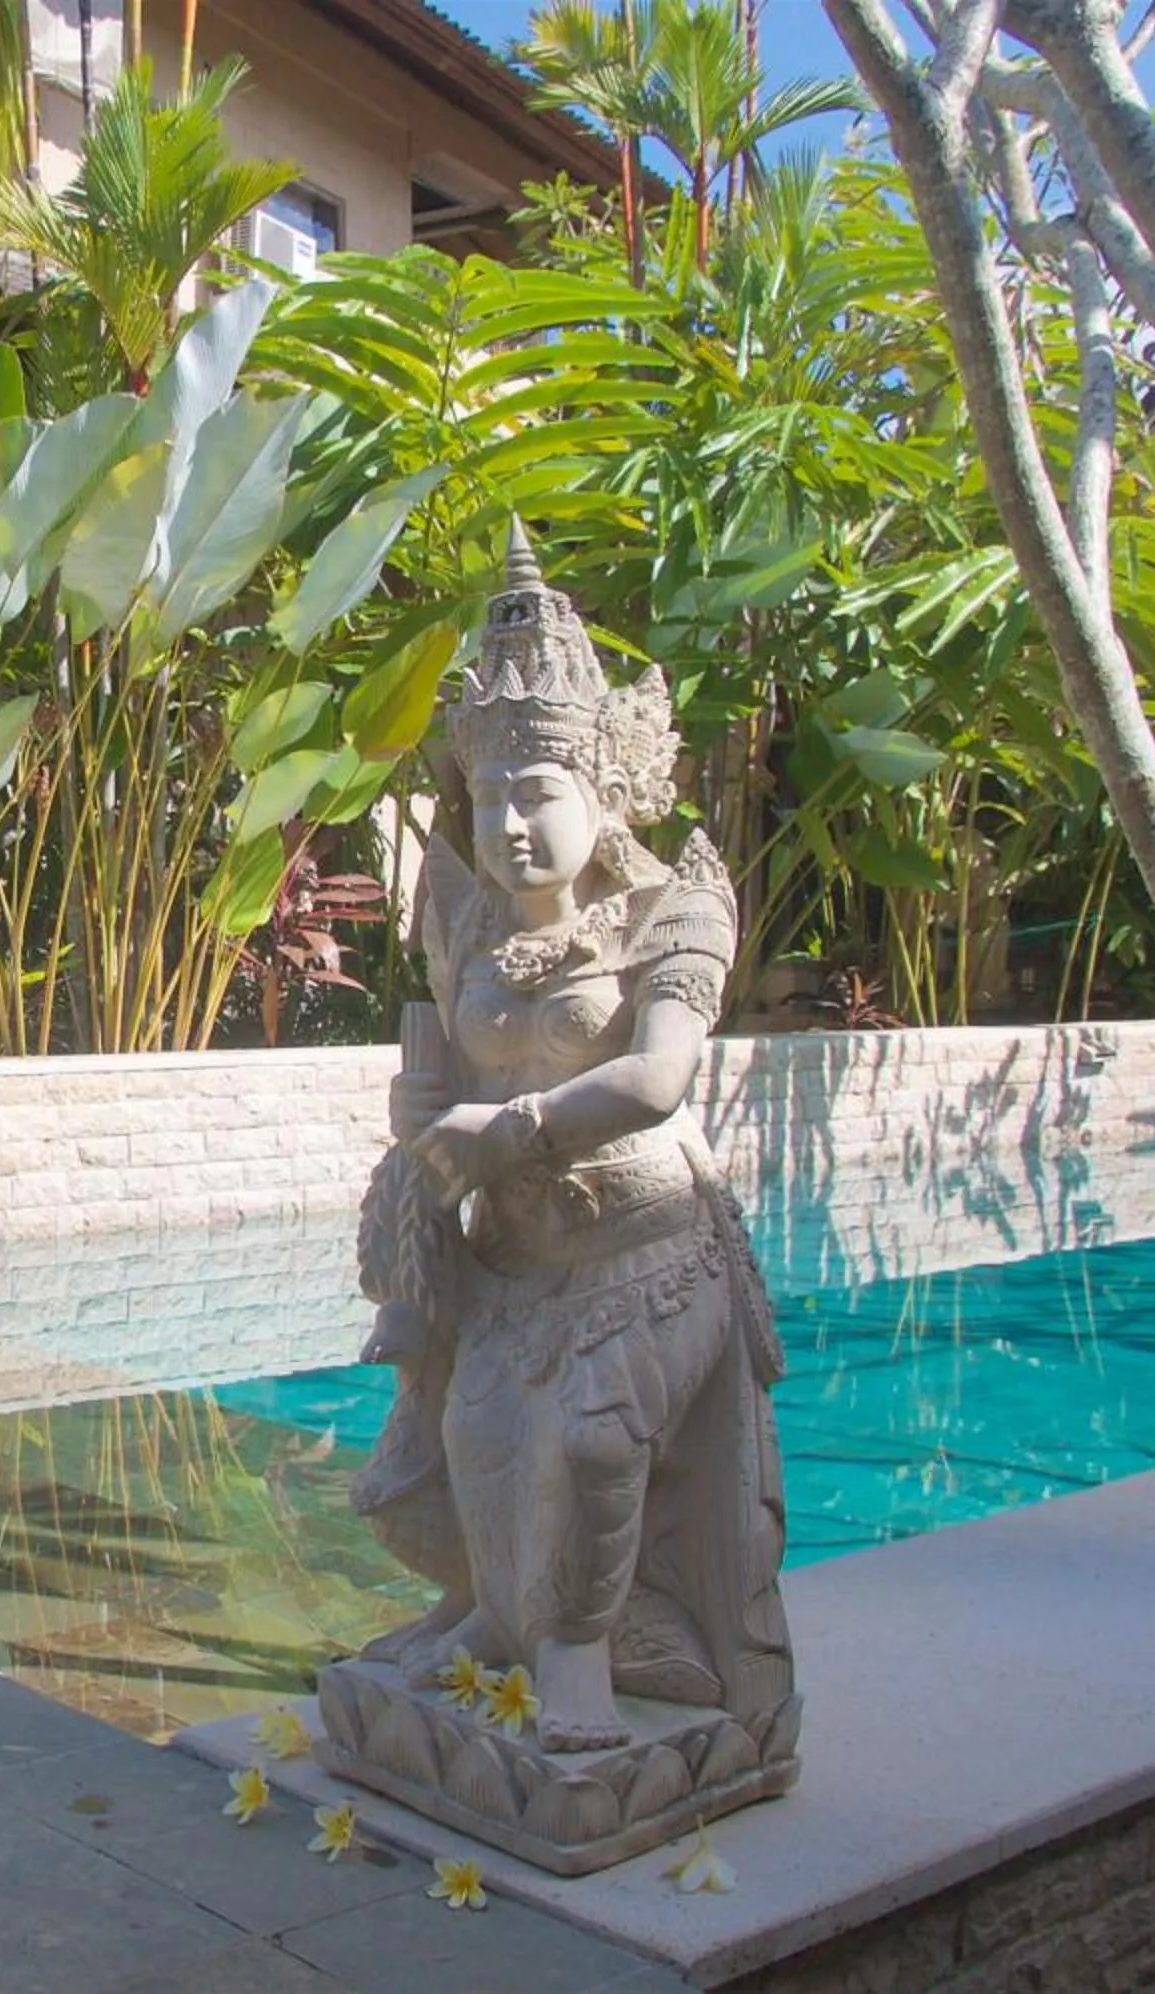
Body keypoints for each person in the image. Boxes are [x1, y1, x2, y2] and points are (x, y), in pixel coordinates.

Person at [351, 525, 792, 1754]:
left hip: (650, 1247)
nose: (512, 824)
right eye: (493, 796)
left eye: (540, 792)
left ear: (607, 789)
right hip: (514, 1259)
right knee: (479, 1438)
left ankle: (580, 1658)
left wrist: (512, 1130)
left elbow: (657, 1078)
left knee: (593, 1441)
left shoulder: (674, 906)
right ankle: (496, 1620)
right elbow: (439, 1075)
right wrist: (421, 1125)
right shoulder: (464, 921)